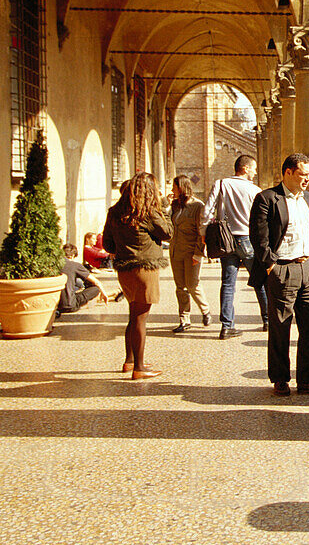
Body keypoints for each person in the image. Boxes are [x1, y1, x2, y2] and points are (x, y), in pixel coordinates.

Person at [250, 153, 309, 397]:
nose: (308, 180)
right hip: (283, 269)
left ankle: (308, 380)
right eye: (304, 175)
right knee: (281, 326)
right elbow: (259, 238)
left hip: (308, 269)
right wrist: (272, 266)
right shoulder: (267, 198)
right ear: (288, 173)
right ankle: (280, 378)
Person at [102, 172, 172, 380]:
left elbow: (107, 244)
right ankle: (139, 368)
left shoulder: (115, 212)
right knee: (141, 318)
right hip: (145, 268)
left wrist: (123, 248)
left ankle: (130, 360)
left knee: (134, 315)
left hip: (124, 269)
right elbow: (167, 233)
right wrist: (165, 208)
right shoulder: (148, 212)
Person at [203, 154, 268, 339]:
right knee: (259, 281)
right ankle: (267, 319)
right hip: (247, 238)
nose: (255, 172)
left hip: (226, 240)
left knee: (228, 283)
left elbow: (208, 210)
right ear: (245, 168)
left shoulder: (221, 184)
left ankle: (226, 326)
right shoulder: (255, 190)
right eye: (253, 168)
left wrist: (203, 232)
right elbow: (260, 218)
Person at [168, 174, 210, 333]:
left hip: (192, 252)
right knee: (180, 287)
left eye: (174, 187)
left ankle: (205, 310)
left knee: (192, 285)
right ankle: (184, 319)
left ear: (182, 187)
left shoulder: (197, 206)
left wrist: (198, 254)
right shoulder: (174, 205)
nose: (172, 190)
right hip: (176, 251)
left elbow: (202, 232)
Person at [56, 243, 115, 316]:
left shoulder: (55, 264)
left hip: (55, 304)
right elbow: (97, 282)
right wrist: (104, 293)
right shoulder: (75, 265)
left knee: (76, 283)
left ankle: (110, 294)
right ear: (73, 256)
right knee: (95, 288)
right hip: (70, 305)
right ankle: (106, 295)